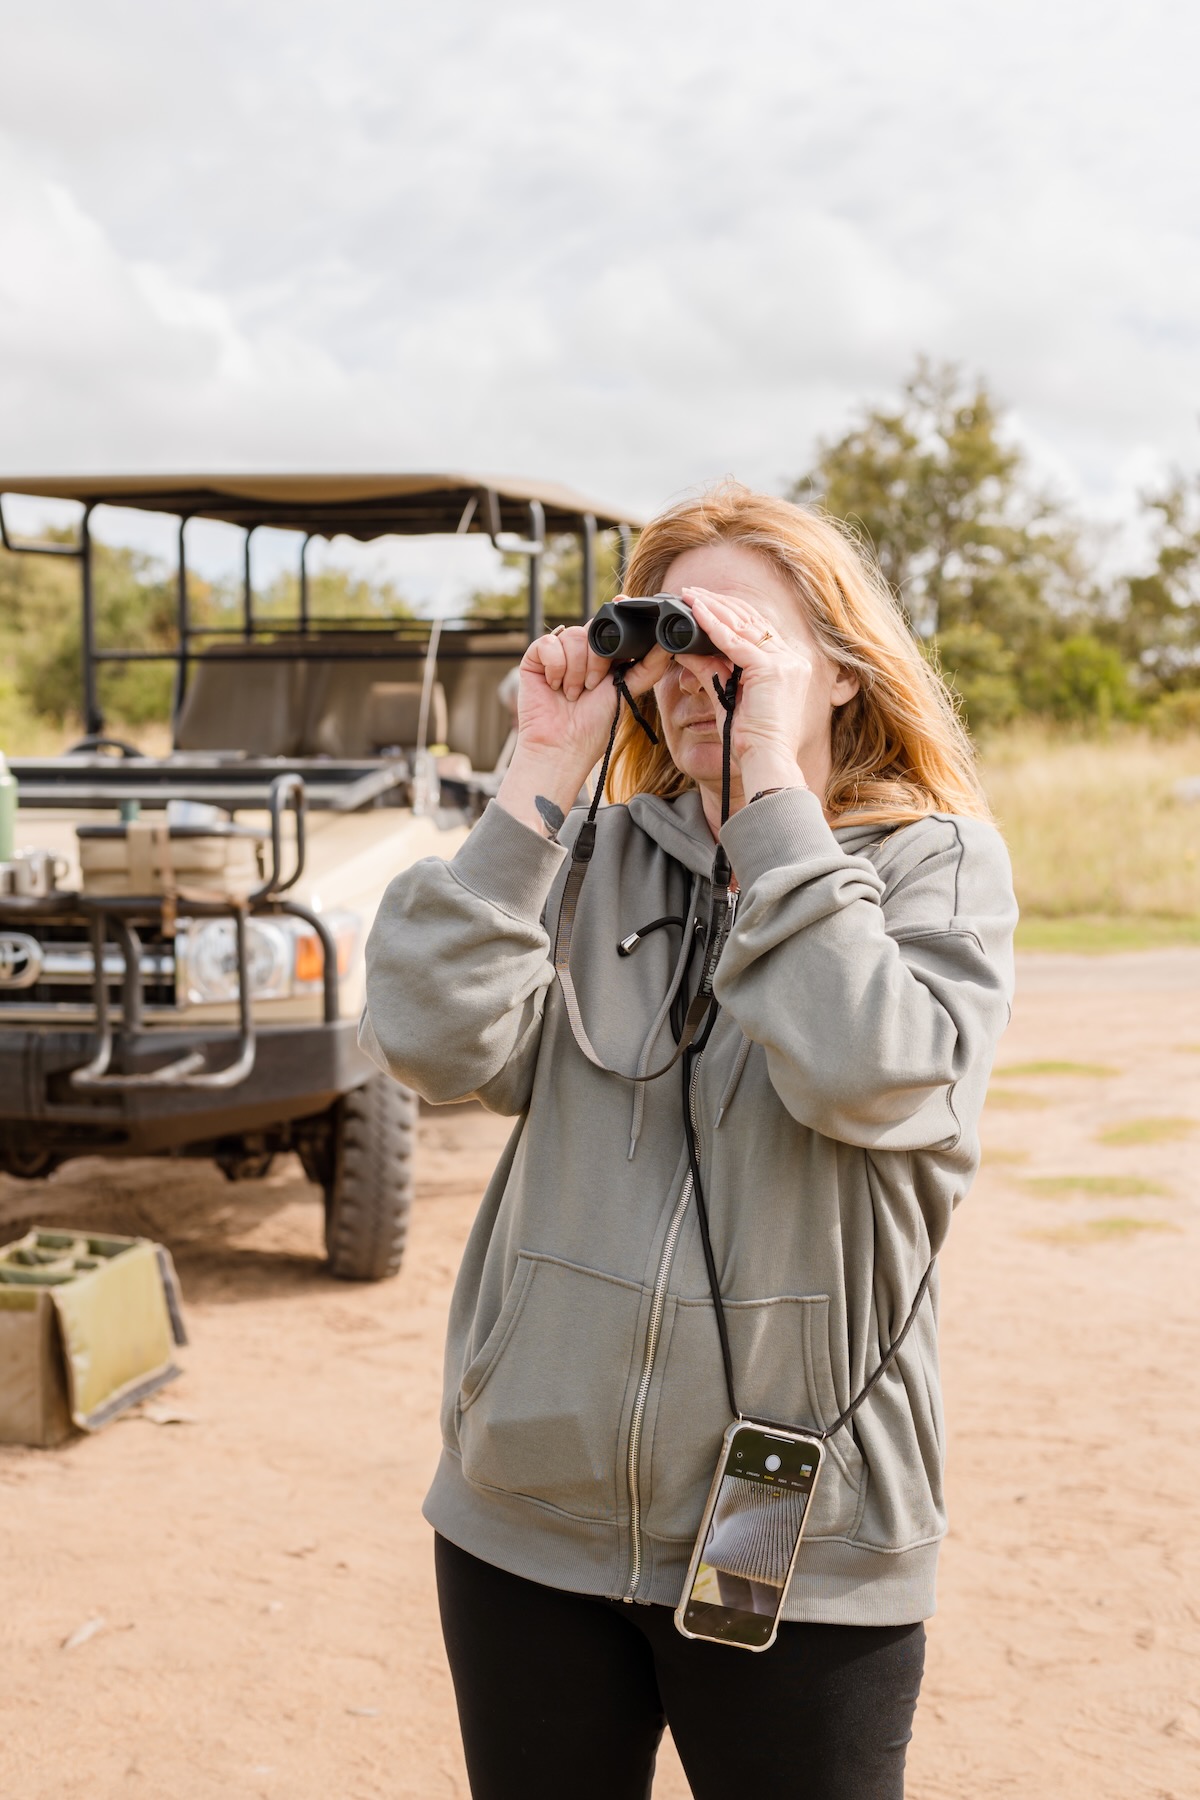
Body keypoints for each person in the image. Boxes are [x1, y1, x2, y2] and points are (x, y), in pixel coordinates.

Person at [360, 484, 1017, 1800]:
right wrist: (541, 769)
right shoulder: (587, 856)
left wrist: (766, 801)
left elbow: (875, 1070)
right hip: (525, 1523)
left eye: (743, 640)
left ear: (838, 672)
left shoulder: (934, 868)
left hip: (804, 1536)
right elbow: (431, 1042)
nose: (697, 670)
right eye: (671, 636)